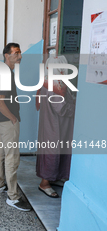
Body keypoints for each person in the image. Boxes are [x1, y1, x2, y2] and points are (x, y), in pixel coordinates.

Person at [0, 43, 31, 211]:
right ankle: (13, 197)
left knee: (3, 152)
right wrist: (13, 118)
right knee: (12, 157)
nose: (19, 56)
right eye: (15, 53)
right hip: (8, 122)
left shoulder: (5, 72)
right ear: (6, 55)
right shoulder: (5, 74)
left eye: (19, 53)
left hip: (2, 121)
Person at [36, 56, 75, 198]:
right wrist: (76, 107)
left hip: (52, 125)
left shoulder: (48, 81)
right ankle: (44, 183)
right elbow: (61, 108)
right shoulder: (54, 85)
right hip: (55, 126)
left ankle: (54, 178)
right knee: (53, 152)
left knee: (54, 151)